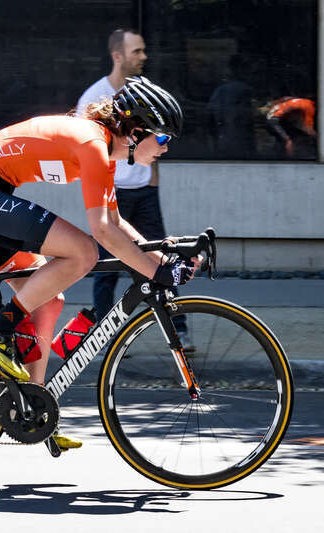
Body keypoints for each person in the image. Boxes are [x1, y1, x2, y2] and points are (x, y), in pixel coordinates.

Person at [0, 76, 196, 450]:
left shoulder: (105, 151)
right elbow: (103, 233)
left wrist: (164, 260)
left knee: (49, 300)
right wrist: (156, 271)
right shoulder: (93, 143)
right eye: (162, 138)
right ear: (137, 130)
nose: (166, 148)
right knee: (84, 252)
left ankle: (32, 408)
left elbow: (116, 222)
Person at [77, 28, 192, 350]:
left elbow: (155, 135)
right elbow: (90, 153)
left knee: (160, 254)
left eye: (143, 50)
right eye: (137, 51)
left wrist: (151, 179)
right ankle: (104, 334)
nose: (144, 57)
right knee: (106, 266)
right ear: (118, 56)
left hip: (142, 191)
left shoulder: (144, 93)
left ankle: (178, 327)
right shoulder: (94, 96)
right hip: (112, 190)